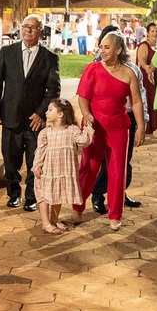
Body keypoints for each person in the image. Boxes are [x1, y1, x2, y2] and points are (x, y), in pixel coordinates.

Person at [0, 14, 61, 213]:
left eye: (33, 28)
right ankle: (13, 194)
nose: (28, 30)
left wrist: (41, 114)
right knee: (10, 160)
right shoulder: (7, 52)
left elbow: (53, 91)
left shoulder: (50, 58)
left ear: (41, 32)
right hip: (10, 116)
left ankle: (31, 197)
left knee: (34, 161)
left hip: (35, 121)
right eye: (25, 27)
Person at [74, 31, 146, 230]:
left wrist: (141, 127)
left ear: (119, 50)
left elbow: (137, 102)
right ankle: (77, 208)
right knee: (89, 168)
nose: (102, 51)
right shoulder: (92, 69)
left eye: (107, 47)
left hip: (119, 127)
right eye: (101, 47)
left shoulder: (129, 73)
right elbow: (82, 97)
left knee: (117, 171)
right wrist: (86, 114)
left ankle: (115, 215)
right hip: (94, 126)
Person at [88, 24, 148, 214]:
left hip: (126, 119)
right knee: (104, 162)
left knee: (123, 161)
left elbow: (140, 97)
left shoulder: (131, 69)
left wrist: (142, 122)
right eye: (104, 45)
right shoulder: (96, 69)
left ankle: (120, 193)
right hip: (103, 120)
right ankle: (98, 195)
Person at [30, 98, 94, 233]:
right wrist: (37, 167)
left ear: (61, 114)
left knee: (56, 194)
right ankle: (45, 222)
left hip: (62, 170)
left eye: (50, 110)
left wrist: (88, 127)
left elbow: (84, 141)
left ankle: (54, 220)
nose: (46, 113)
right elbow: (40, 152)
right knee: (44, 195)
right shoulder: (46, 133)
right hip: (47, 171)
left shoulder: (72, 130)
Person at [135, 23, 157, 135]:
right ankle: (149, 125)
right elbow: (142, 61)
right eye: (152, 31)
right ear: (148, 33)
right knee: (149, 99)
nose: (155, 33)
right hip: (147, 77)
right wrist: (148, 69)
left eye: (156, 31)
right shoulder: (144, 45)